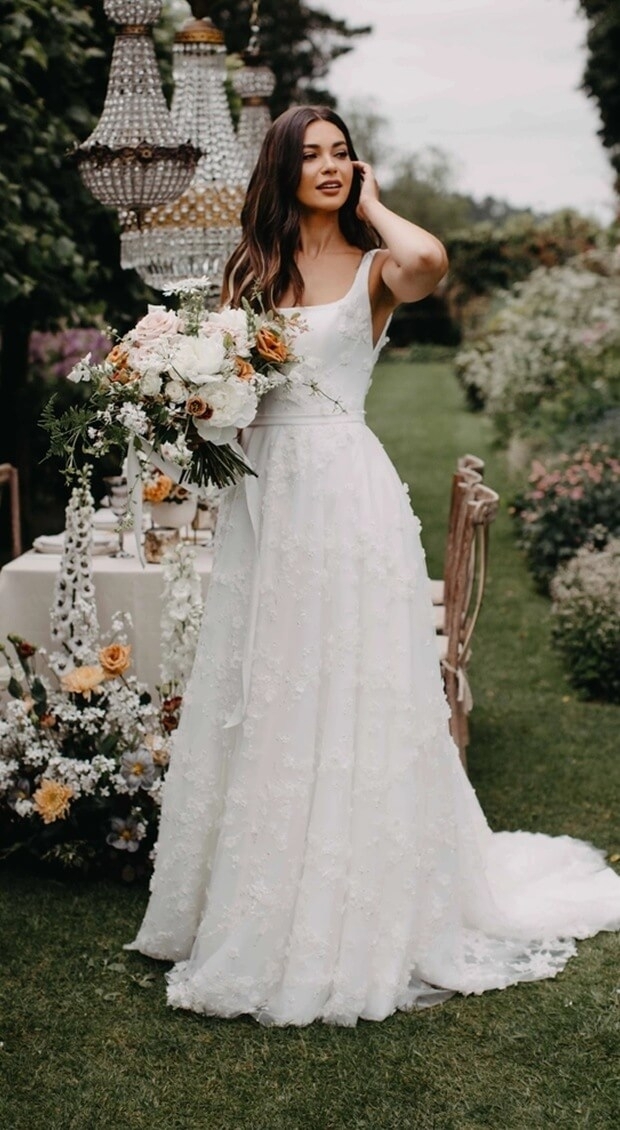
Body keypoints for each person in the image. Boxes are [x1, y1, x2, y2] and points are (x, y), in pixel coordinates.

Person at [126, 105, 620, 1027]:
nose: (328, 166)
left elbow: (431, 264)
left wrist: (378, 204)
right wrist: (187, 396)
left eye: (341, 154)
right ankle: (254, 891)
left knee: (347, 683)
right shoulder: (249, 269)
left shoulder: (375, 266)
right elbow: (223, 394)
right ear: (280, 168)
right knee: (268, 686)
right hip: (262, 497)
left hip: (344, 492)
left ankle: (352, 900)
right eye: (310, 155)